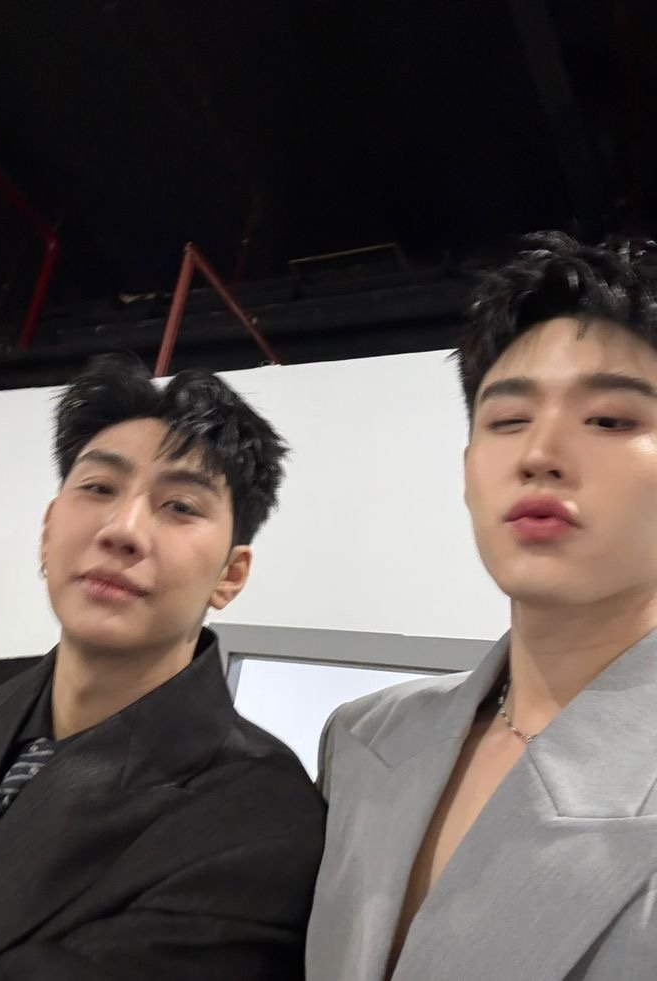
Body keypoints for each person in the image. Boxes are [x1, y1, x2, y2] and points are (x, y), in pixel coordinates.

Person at [306, 232, 657, 980]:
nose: (540, 453)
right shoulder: (363, 738)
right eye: (507, 420)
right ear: (468, 471)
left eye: (610, 419)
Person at [0, 355, 325, 980]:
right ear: (48, 529)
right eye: (99, 488)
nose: (123, 529)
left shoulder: (263, 820)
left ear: (230, 575)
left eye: (180, 506)